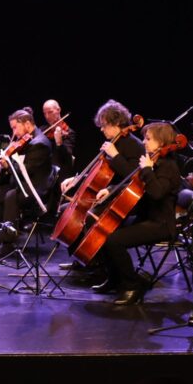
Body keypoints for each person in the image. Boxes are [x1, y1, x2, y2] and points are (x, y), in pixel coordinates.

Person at [89, 122, 181, 305]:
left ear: (162, 142)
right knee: (105, 231)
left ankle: (132, 286)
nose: (144, 142)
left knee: (113, 240)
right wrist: (112, 189)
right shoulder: (153, 160)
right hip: (146, 218)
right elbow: (135, 183)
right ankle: (116, 279)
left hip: (161, 224)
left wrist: (147, 169)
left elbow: (156, 192)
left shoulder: (168, 166)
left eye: (148, 139)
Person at [58, 100, 144, 274]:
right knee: (65, 210)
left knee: (89, 217)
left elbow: (134, 176)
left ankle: (98, 263)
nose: (101, 129)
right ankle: (79, 258)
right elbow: (97, 174)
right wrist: (76, 180)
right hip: (106, 196)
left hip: (124, 200)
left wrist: (116, 156)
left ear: (117, 123)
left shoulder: (134, 145)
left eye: (104, 125)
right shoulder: (114, 142)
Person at [0, 107, 53, 258]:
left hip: (34, 188)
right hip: (19, 183)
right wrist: (1, 164)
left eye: (14, 128)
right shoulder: (24, 141)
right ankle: (5, 234)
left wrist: (8, 164)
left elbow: (26, 170)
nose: (13, 133)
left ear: (26, 123)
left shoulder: (40, 143)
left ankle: (8, 244)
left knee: (10, 196)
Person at [42, 99, 75, 213]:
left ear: (58, 110)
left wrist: (59, 143)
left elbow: (67, 158)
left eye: (50, 112)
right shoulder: (42, 130)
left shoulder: (69, 133)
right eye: (44, 113)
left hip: (57, 173)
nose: (47, 116)